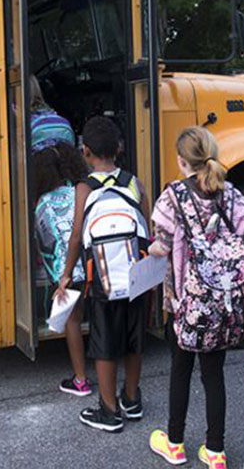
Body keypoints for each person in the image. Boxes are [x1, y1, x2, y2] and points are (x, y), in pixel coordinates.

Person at [147, 127, 244, 469]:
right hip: (225, 302)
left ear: (181, 160)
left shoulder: (173, 197)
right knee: (214, 374)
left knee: (180, 370)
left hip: (187, 302)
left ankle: (175, 444)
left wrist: (152, 250)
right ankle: (216, 452)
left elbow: (162, 246)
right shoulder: (231, 194)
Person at [55, 116, 149, 433]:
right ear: (119, 149)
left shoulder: (85, 187)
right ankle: (131, 400)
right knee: (134, 338)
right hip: (137, 275)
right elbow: (146, 224)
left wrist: (67, 274)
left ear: (85, 151)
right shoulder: (134, 181)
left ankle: (109, 411)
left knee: (105, 341)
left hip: (102, 279)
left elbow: (76, 235)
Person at [29, 79, 92, 397]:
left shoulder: (41, 206)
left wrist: (63, 275)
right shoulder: (83, 190)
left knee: (71, 319)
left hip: (67, 269)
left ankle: (80, 378)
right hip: (96, 265)